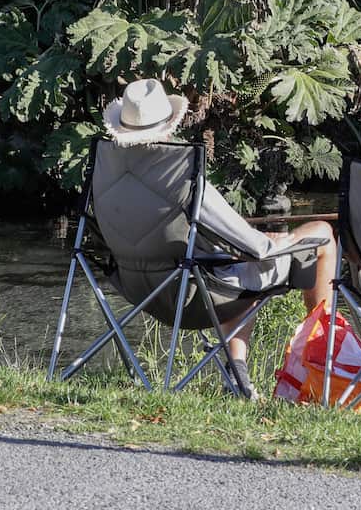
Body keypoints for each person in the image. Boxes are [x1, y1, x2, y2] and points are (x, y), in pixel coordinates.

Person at [102, 78, 339, 400]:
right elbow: (256, 249)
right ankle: (324, 362)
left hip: (137, 290)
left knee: (231, 265)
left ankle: (236, 373)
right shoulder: (180, 173)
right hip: (194, 295)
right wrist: (279, 241)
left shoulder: (107, 169)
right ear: (169, 127)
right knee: (321, 235)